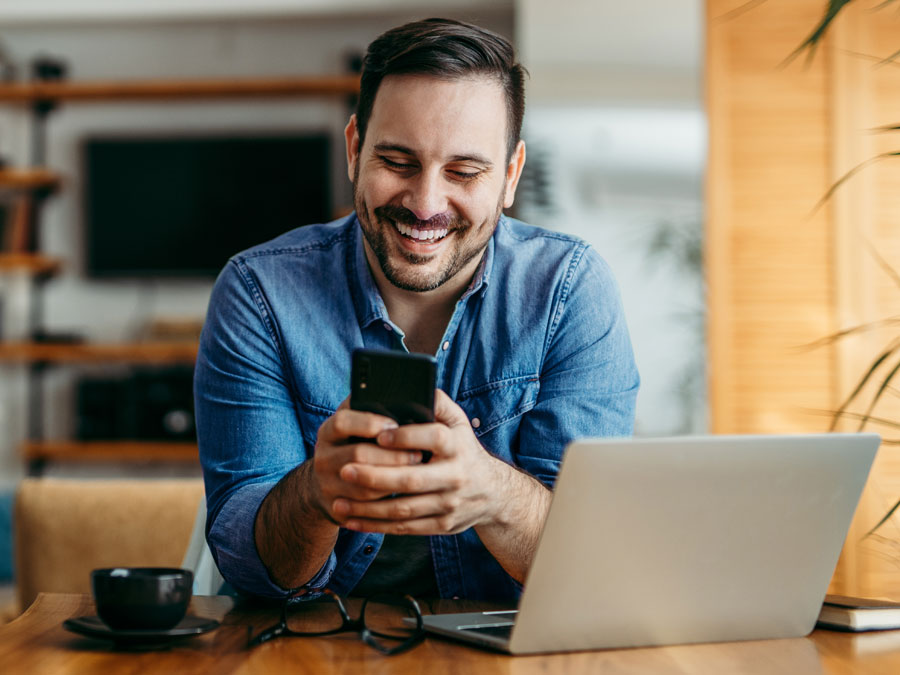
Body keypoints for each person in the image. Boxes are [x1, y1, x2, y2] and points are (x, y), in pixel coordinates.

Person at [195, 17, 639, 603]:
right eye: (398, 163)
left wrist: (493, 493)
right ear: (355, 149)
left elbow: (591, 567)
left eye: (464, 171)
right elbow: (250, 572)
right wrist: (316, 493)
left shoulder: (569, 291)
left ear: (509, 175)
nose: (426, 204)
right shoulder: (259, 294)